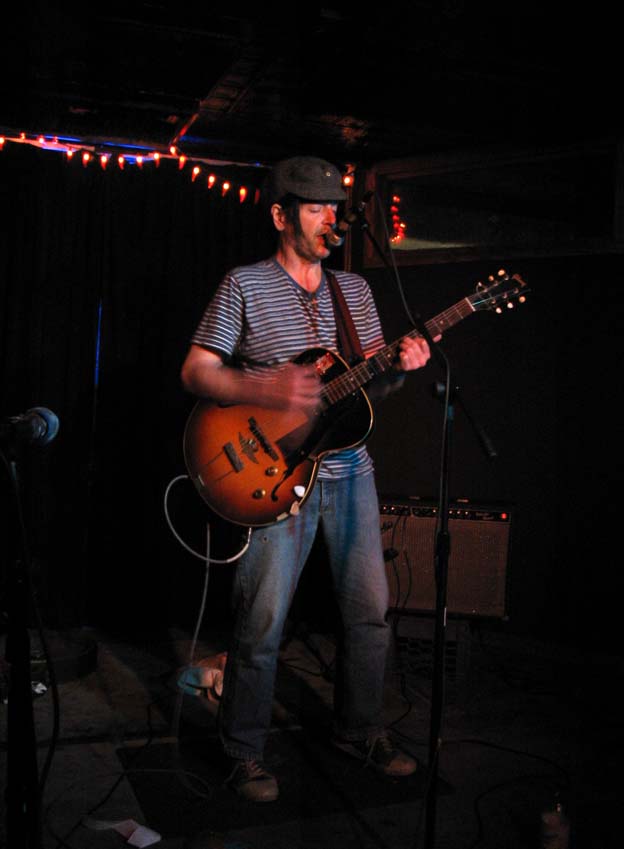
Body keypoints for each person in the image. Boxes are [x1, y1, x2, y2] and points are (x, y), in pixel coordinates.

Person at [180, 155, 432, 803]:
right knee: (261, 619)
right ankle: (242, 751)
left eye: (332, 208)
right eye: (315, 207)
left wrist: (402, 363)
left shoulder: (356, 293)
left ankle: (359, 729)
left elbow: (373, 387)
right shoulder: (245, 283)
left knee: (369, 612)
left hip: (348, 467)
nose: (329, 220)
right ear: (279, 214)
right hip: (272, 469)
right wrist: (262, 381)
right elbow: (196, 371)